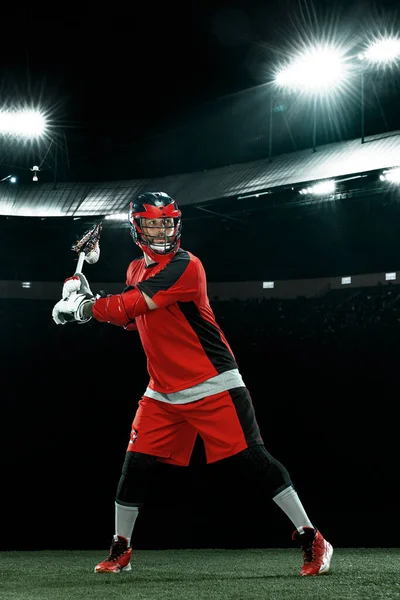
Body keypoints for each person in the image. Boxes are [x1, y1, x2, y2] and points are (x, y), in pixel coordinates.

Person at [52, 191, 333, 576]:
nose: (161, 230)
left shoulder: (187, 266)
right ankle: (121, 549)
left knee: (254, 460)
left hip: (213, 382)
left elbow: (132, 305)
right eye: (152, 223)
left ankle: (312, 538)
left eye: (166, 222)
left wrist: (84, 307)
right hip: (163, 390)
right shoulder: (135, 269)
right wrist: (86, 297)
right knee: (134, 466)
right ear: (138, 228)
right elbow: (133, 318)